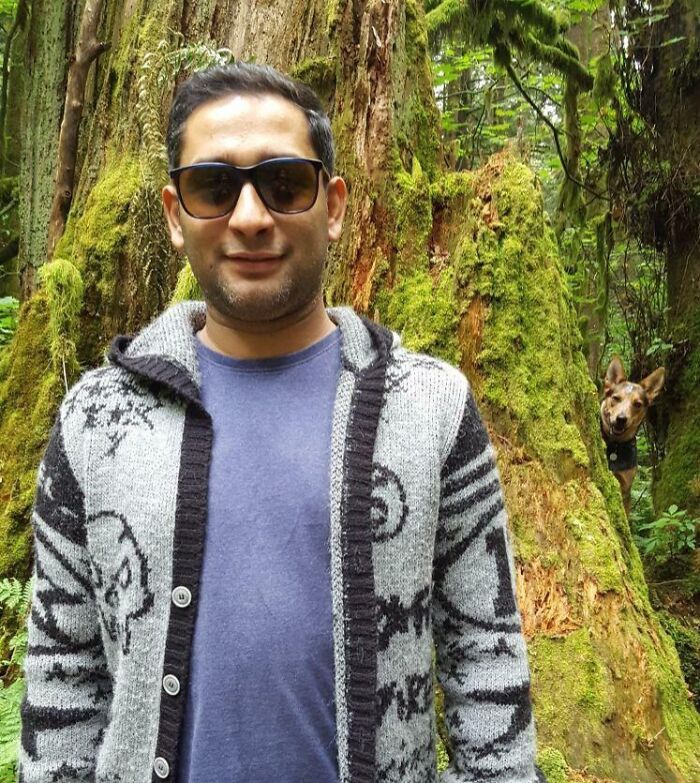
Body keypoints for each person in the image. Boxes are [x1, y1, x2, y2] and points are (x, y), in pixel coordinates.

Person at [17, 62, 545, 783]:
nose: (250, 217)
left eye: (285, 183)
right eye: (214, 187)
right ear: (174, 214)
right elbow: (61, 672)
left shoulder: (431, 408)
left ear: (333, 205)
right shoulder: (96, 420)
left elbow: (487, 661)